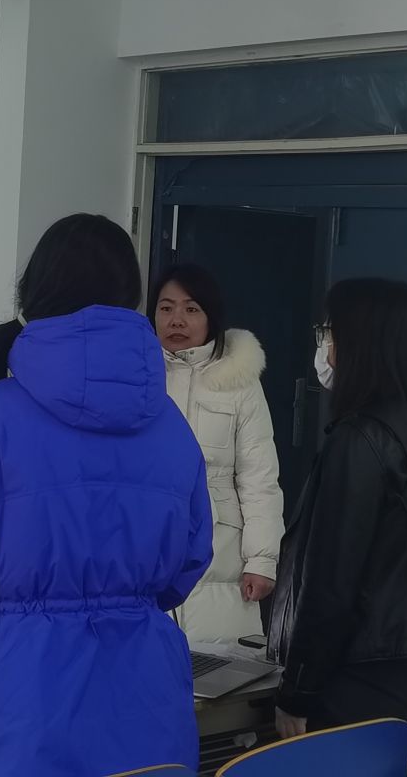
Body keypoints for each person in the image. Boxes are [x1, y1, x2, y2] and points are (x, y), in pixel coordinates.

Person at [0, 214, 214, 777]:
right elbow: (185, 566)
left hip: (14, 710)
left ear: (35, 292)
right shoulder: (169, 426)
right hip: (145, 704)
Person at [267, 278, 407, 739]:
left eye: (331, 333)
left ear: (362, 343)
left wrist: (298, 691)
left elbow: (331, 582)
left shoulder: (361, 439)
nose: (326, 348)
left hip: (358, 670)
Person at [150, 264, 285, 643]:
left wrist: (262, 560)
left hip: (221, 554)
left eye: (191, 309)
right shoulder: (137, 377)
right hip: (149, 546)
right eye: (166, 308)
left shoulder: (239, 381)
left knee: (218, 667)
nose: (177, 320)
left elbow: (259, 477)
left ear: (211, 316)